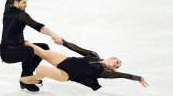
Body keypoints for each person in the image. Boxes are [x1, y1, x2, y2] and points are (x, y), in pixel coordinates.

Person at [0, 0, 63, 92]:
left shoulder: (9, 6)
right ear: (16, 2)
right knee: (29, 50)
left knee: (43, 47)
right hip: (7, 51)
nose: (26, 4)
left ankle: (26, 76)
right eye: (23, 2)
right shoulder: (21, 15)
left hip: (18, 46)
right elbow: (38, 26)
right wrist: (54, 35)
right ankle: (26, 79)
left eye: (26, 1)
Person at [20, 40, 149, 91]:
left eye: (118, 66)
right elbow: (77, 49)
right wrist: (63, 42)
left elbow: (120, 75)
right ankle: (19, 42)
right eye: (117, 62)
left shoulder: (102, 72)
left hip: (66, 74)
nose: (117, 65)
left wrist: (136, 77)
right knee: (42, 52)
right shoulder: (94, 55)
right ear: (111, 58)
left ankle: (31, 80)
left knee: (41, 69)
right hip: (66, 61)